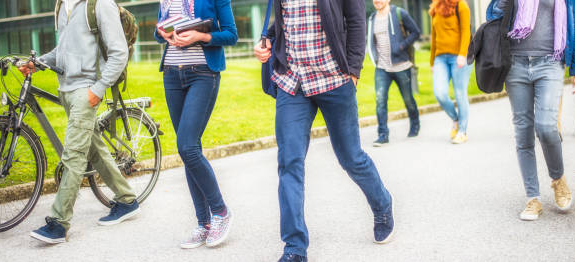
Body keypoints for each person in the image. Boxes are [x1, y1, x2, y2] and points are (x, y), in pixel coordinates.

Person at [254, 0, 394, 261]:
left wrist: (352, 70)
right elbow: (287, 19)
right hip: (292, 81)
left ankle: (382, 204)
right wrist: (267, 40)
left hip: (333, 79)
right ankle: (294, 247)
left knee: (351, 158)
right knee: (289, 162)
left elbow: (355, 20)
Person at [19, 0, 139, 244]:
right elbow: (62, 51)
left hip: (86, 90)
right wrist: (37, 63)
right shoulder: (62, 5)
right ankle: (127, 200)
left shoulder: (100, 5)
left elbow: (119, 53)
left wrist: (98, 88)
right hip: (67, 90)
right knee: (94, 150)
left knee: (73, 154)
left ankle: (59, 223)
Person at [154, 0, 237, 248]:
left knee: (188, 146)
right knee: (187, 150)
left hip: (202, 73)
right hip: (171, 75)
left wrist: (200, 35)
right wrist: (161, 32)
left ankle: (220, 211)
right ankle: (204, 224)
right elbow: (160, 34)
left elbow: (231, 34)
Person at [497, 0, 575, 221]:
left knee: (547, 126)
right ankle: (532, 198)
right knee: (523, 132)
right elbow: (494, 12)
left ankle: (558, 179)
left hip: (550, 62)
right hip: (515, 64)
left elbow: (574, 21)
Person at [368, 0, 422, 146]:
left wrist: (402, 45)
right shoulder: (372, 18)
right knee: (380, 101)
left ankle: (415, 124)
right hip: (382, 68)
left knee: (408, 99)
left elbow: (416, 32)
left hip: (401, 66)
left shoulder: (399, 13)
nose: (377, 1)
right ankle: (383, 134)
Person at [429, 0, 473, 144]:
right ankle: (456, 119)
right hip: (440, 59)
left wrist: (462, 53)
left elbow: (466, 30)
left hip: (458, 57)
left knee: (460, 93)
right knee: (440, 93)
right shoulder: (435, 7)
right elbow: (434, 36)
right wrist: (431, 62)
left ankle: (462, 131)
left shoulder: (461, 5)